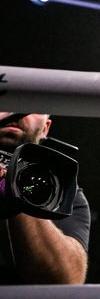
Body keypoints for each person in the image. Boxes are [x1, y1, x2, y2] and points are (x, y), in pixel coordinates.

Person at [0, 112, 89, 284]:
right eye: (6, 101)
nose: (14, 112)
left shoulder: (61, 195)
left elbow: (67, 280)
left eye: (29, 104)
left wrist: (18, 183)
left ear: (45, 129)